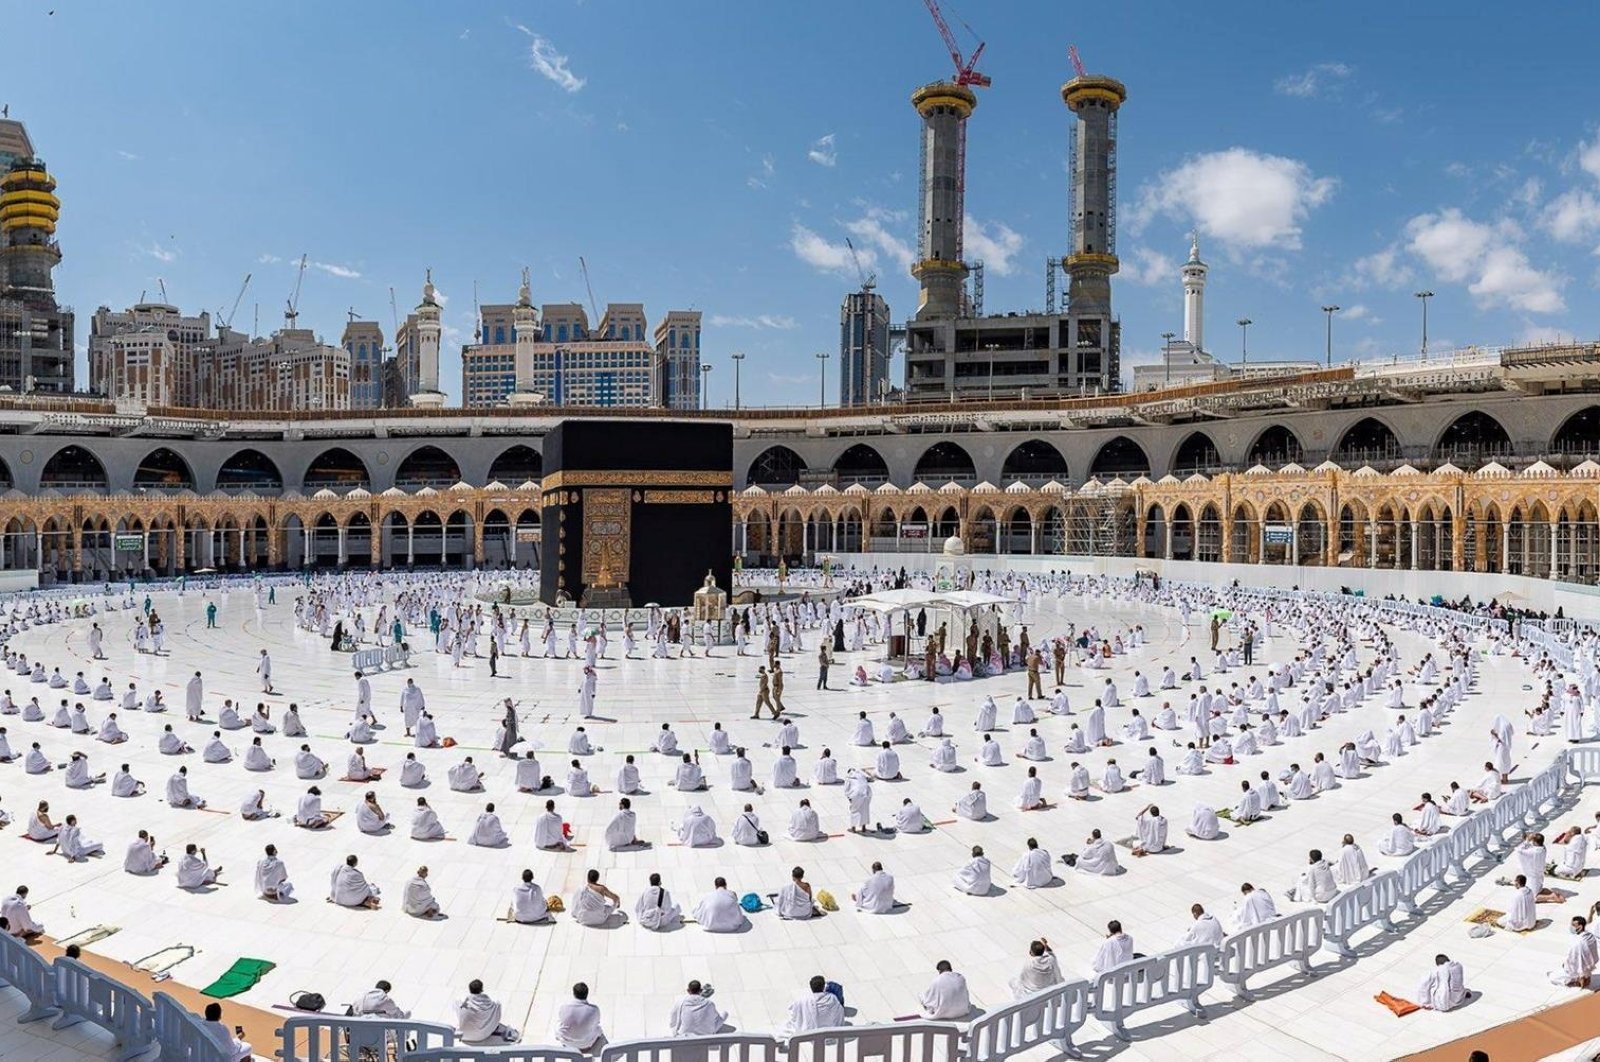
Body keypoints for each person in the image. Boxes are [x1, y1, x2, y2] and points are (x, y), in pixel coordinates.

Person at [457, 979, 519, 1043]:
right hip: (483, 1036)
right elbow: (495, 1007)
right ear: (481, 989)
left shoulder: (465, 1003)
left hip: (465, 1035)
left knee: (457, 1004)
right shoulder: (487, 1001)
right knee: (498, 1005)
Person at [1553, 915, 1599, 987]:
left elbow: (1573, 957)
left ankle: (1579, 982)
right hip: (1589, 964)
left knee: (1554, 978)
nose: (1571, 927)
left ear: (1580, 927)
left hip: (1580, 966)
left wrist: (1566, 964)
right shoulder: (1590, 936)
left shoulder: (1578, 942)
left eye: (1573, 925)